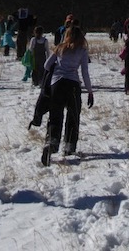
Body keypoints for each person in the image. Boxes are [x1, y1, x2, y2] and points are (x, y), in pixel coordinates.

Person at [41, 26, 94, 166]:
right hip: (73, 85)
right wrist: (90, 91)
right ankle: (69, 145)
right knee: (73, 115)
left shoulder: (60, 48)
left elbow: (46, 65)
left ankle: (51, 142)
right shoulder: (82, 51)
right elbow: (85, 72)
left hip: (56, 84)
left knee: (55, 115)